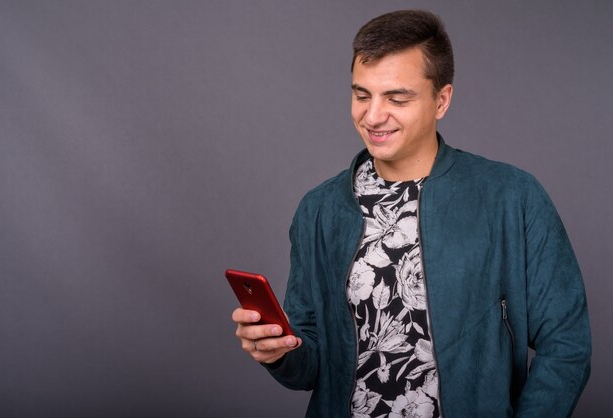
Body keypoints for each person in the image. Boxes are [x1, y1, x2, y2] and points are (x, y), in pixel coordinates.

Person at [232, 9, 591, 418]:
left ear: (442, 100)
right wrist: (278, 352)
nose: (372, 116)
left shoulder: (512, 197)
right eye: (362, 95)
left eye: (396, 98)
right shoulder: (319, 210)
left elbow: (567, 344)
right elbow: (312, 365)